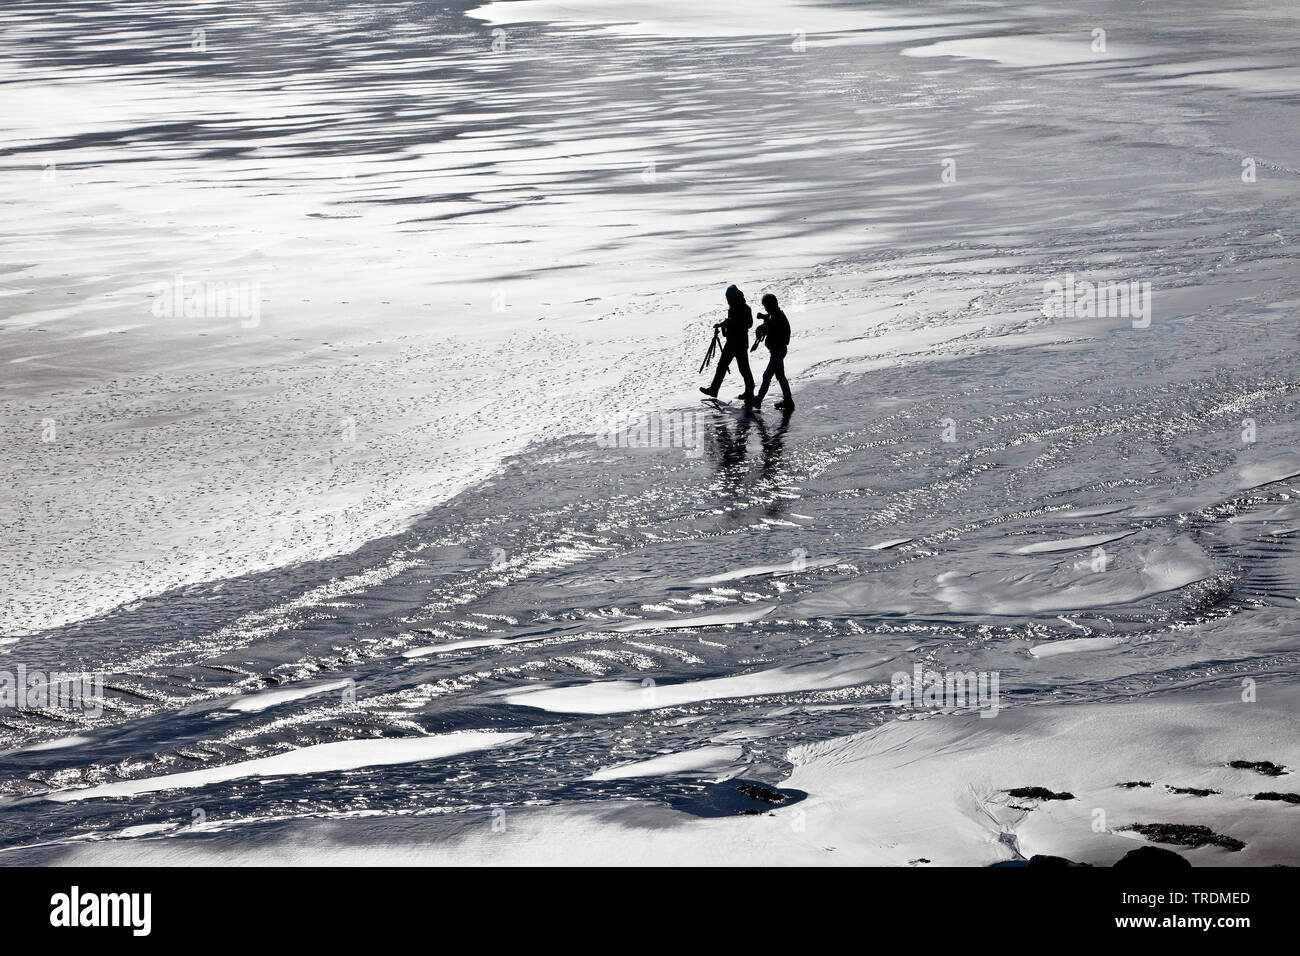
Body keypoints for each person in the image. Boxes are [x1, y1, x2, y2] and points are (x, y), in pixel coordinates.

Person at [700, 284, 757, 406]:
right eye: (727, 298)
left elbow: (749, 324)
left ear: (734, 296)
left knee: (743, 368)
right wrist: (723, 325)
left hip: (740, 343)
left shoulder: (745, 308)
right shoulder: (733, 307)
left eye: (729, 298)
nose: (728, 300)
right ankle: (714, 389)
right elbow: (731, 321)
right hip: (731, 342)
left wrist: (730, 322)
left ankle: (750, 390)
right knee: (723, 365)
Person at [751, 293, 794, 410]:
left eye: (766, 306)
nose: (765, 308)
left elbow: (773, 327)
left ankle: (758, 400)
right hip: (777, 351)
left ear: (770, 305)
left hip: (778, 351)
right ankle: (788, 401)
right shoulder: (776, 314)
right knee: (780, 376)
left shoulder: (778, 317)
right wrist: (763, 323)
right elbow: (770, 322)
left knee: (767, 375)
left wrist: (764, 322)